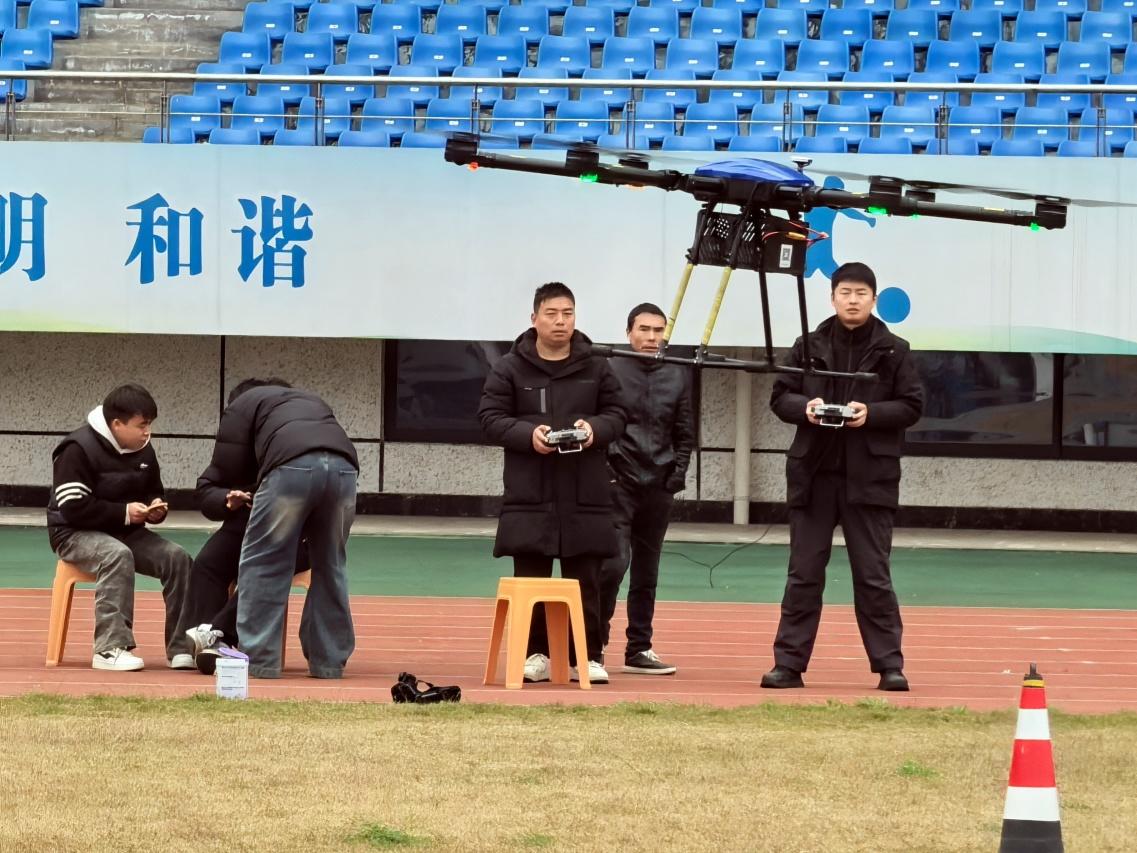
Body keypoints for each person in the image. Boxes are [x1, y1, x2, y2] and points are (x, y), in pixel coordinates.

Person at [761, 262, 924, 692]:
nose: (853, 300)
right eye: (845, 293)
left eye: (861, 293)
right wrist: (807, 409)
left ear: (874, 299)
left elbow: (912, 405)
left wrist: (872, 414)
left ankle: (889, 665)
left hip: (870, 479)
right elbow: (780, 397)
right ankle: (788, 665)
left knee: (873, 576)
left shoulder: (895, 350)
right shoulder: (808, 345)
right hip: (814, 475)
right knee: (804, 574)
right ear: (832, 297)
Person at [478, 282, 626, 685]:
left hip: (585, 491)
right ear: (534, 318)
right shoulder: (509, 368)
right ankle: (535, 654)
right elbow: (490, 418)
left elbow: (618, 414)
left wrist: (593, 430)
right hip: (530, 492)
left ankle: (587, 656)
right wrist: (529, 435)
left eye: (568, 313)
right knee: (531, 579)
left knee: (587, 580)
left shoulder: (597, 366)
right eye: (552, 314)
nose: (561, 321)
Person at [197, 379, 359, 679]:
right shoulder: (310, 400)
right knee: (331, 565)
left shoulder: (240, 406)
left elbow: (227, 470)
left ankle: (260, 660)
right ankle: (328, 663)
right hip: (344, 468)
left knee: (265, 563)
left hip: (290, 468)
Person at [46, 384, 194, 672]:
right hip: (73, 533)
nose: (147, 432)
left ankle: (181, 648)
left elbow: (154, 490)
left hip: (125, 531)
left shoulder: (144, 449)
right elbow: (72, 507)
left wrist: (155, 508)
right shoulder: (76, 449)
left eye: (149, 424)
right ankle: (109, 648)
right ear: (117, 424)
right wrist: (124, 513)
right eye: (142, 425)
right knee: (116, 555)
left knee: (177, 558)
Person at [183, 378, 308, 675]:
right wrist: (227, 499)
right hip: (244, 525)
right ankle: (199, 643)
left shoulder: (298, 443)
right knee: (208, 563)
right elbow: (206, 488)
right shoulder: (236, 446)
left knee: (261, 568)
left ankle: (219, 636)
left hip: (294, 534)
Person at [598, 303, 695, 676]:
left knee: (647, 571)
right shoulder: (609, 369)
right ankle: (593, 646)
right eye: (644, 329)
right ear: (629, 333)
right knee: (613, 565)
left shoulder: (677, 373)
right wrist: (608, 473)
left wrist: (677, 474)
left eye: (658, 330)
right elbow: (601, 425)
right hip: (618, 484)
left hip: (659, 485)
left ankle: (639, 648)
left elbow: (684, 430)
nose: (652, 337)